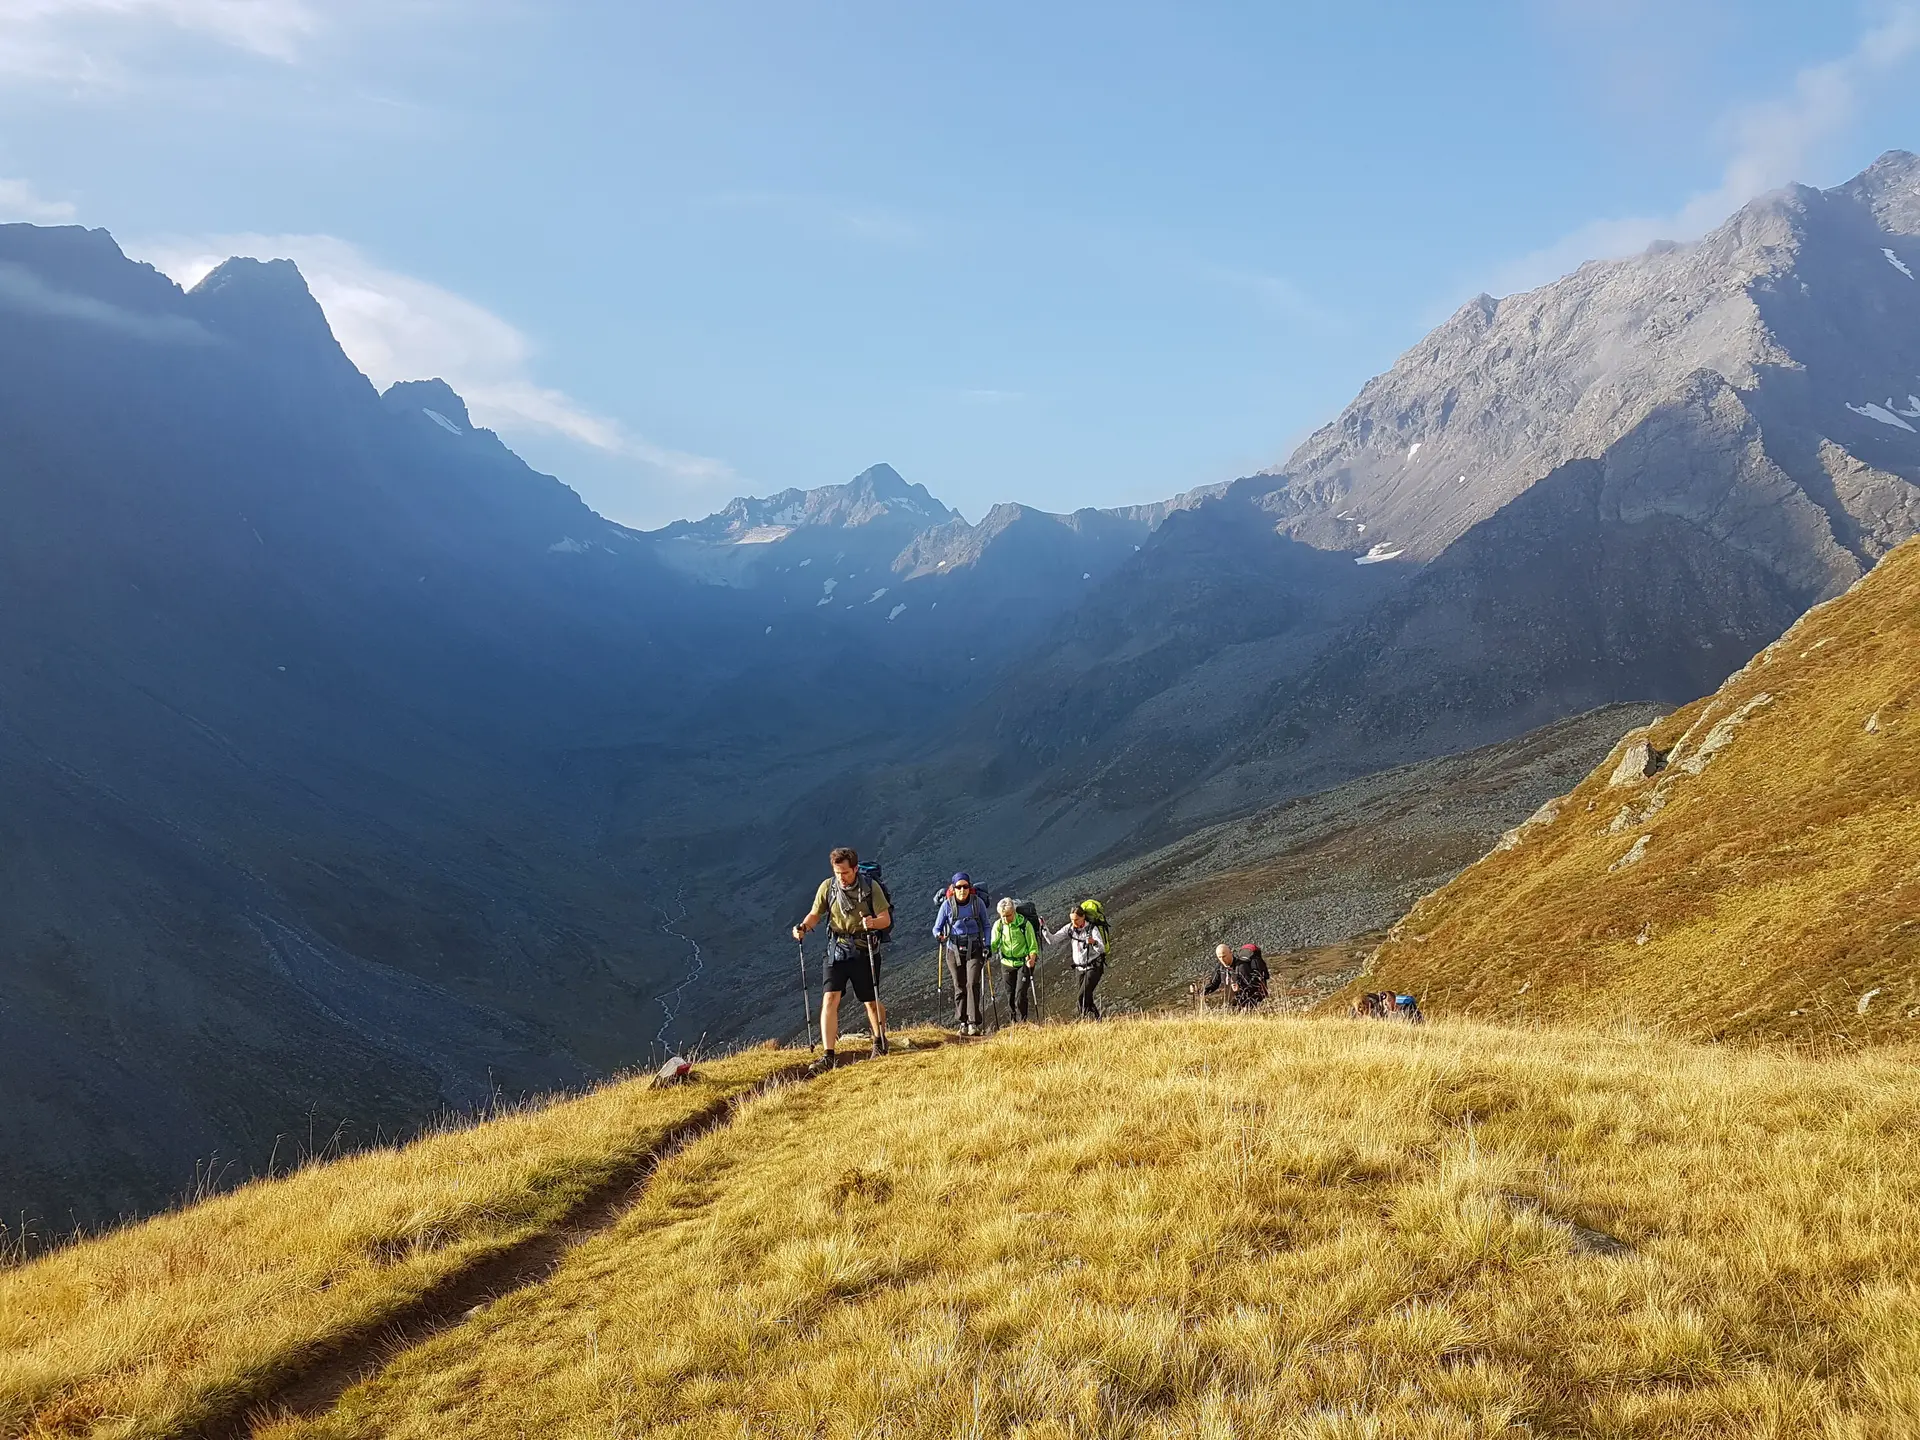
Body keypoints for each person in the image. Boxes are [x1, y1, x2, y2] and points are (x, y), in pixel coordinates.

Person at [792, 847, 891, 1071]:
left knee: (870, 1001)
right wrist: (804, 927)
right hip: (836, 949)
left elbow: (885, 919)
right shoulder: (828, 887)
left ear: (855, 869)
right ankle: (828, 1055)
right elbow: (815, 913)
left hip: (864, 950)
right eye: (837, 873)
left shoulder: (870, 887)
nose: (841, 877)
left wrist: (873, 923)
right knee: (830, 998)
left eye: (845, 872)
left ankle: (879, 1041)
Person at [933, 873, 994, 1035]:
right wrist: (939, 935)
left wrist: (988, 944)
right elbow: (936, 927)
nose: (962, 890)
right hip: (954, 950)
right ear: (953, 889)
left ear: (969, 887)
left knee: (972, 983)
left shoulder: (977, 903)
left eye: (965, 886)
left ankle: (973, 1023)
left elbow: (986, 925)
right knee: (959, 985)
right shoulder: (947, 905)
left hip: (975, 948)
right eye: (958, 887)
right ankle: (962, 1021)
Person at [1045, 905, 1107, 1019]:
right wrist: (1044, 929)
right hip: (1079, 969)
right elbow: (1053, 940)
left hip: (1094, 967)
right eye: (1072, 920)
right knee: (1087, 997)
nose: (1073, 922)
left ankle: (1084, 1021)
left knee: (1082, 996)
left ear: (1083, 917)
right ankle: (1096, 1019)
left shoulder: (1092, 929)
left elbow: (1102, 949)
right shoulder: (1070, 928)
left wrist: (1094, 942)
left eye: (1076, 919)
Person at [990, 897, 1042, 1023]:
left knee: (1020, 994)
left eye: (1008, 915)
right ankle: (1014, 1022)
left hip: (1024, 962)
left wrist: (1032, 959)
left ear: (1014, 912)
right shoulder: (998, 925)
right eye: (1003, 916)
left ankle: (1023, 1021)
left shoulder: (1024, 924)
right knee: (1010, 995)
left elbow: (1033, 946)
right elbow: (994, 943)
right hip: (1006, 963)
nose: (1005, 919)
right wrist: (987, 950)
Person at [1200, 942, 1268, 1011]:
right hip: (1233, 1004)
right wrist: (1201, 992)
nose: (1222, 959)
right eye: (1219, 957)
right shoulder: (1220, 967)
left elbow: (1254, 986)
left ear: (1231, 953)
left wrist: (1240, 989)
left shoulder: (1241, 967)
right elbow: (1213, 984)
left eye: (1224, 956)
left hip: (1248, 1004)